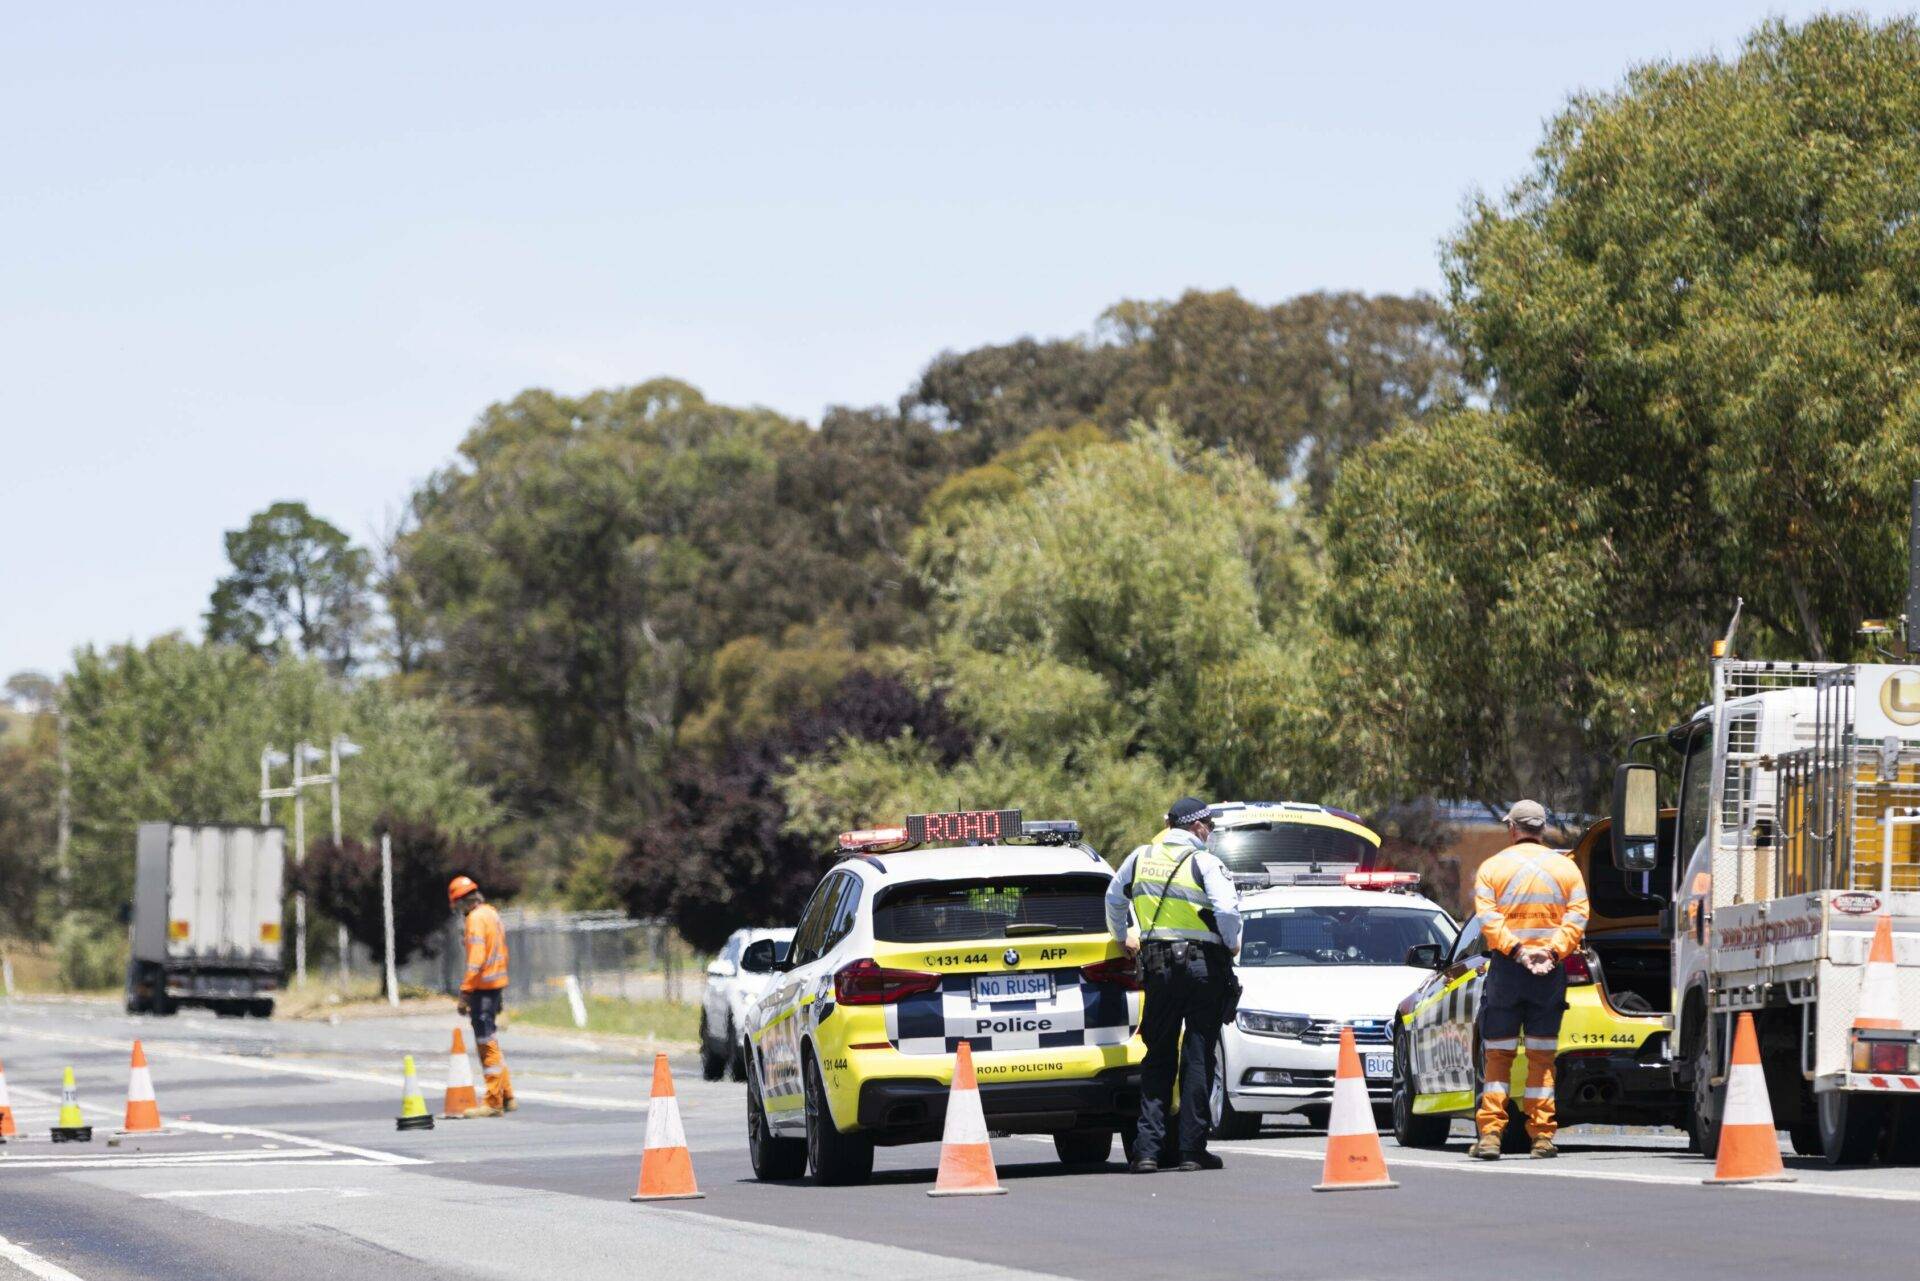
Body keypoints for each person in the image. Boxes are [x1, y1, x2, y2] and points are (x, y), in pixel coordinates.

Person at [1106, 796, 1241, 1174]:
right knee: (1198, 1057)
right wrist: (1231, 942)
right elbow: (1228, 910)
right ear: (1197, 827)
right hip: (1203, 970)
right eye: (1208, 828)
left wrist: (1122, 936)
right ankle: (1191, 1150)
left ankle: (1147, 1151)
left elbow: (1114, 897)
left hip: (1158, 969)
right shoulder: (1204, 862)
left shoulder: (1140, 857)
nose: (1209, 834)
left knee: (1158, 1057)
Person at [1469, 800, 1588, 1160]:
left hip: (1507, 972)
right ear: (1542, 828)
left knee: (1498, 1057)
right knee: (1541, 1057)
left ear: (1512, 828)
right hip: (1548, 976)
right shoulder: (1566, 869)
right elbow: (1579, 916)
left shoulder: (1492, 868)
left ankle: (1491, 1136)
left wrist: (1518, 952)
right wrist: (1552, 953)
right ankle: (1542, 1138)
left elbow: (1488, 920)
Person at [450, 875, 516, 1117]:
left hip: (482, 990)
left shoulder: (475, 919)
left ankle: (493, 1101)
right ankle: (506, 1094)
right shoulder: (491, 913)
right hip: (496, 985)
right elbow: (502, 951)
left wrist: (465, 993)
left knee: (486, 1044)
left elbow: (476, 961)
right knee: (493, 1043)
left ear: (462, 902)